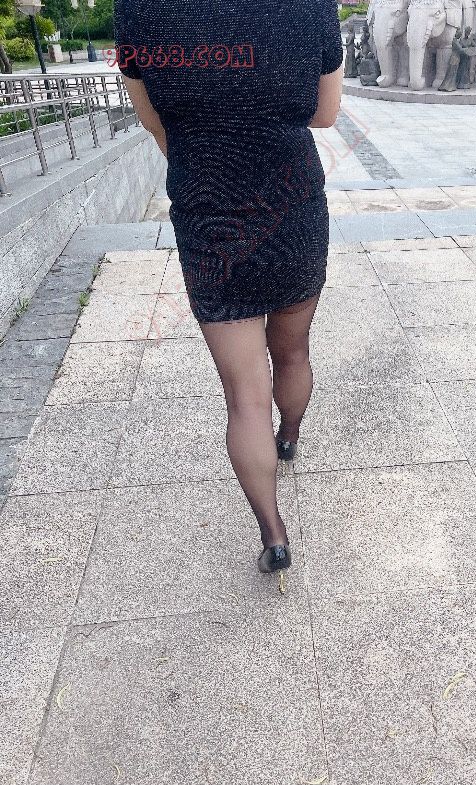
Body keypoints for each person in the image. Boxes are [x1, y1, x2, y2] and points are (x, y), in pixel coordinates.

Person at [113, 1, 343, 583]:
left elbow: (151, 117)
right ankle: (289, 438)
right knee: (294, 351)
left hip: (209, 211)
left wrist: (201, 147)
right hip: (292, 202)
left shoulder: (137, 7)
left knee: (244, 397)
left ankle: (274, 535)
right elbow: (326, 114)